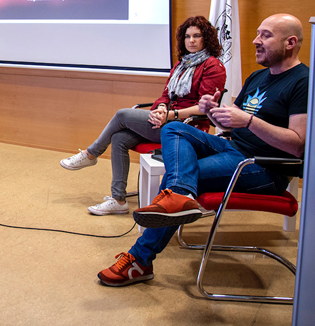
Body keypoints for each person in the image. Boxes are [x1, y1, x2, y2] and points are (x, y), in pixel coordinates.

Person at [98, 13, 308, 287]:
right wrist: (212, 112)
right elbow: (230, 124)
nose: (256, 40)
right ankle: (179, 197)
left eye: (266, 35)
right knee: (174, 128)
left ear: (290, 43)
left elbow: (298, 145)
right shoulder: (258, 77)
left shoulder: (303, 81)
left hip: (264, 166)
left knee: (176, 181)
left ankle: (140, 259)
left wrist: (248, 121)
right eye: (258, 33)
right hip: (233, 147)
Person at [61, 16, 226, 215]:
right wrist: (161, 109)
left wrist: (170, 115)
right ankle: (118, 200)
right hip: (167, 119)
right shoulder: (181, 65)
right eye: (187, 36)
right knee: (119, 138)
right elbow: (166, 95)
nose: (191, 40)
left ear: (206, 38)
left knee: (122, 115)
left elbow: (204, 108)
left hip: (187, 128)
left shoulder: (213, 66)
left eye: (196, 36)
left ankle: (91, 154)